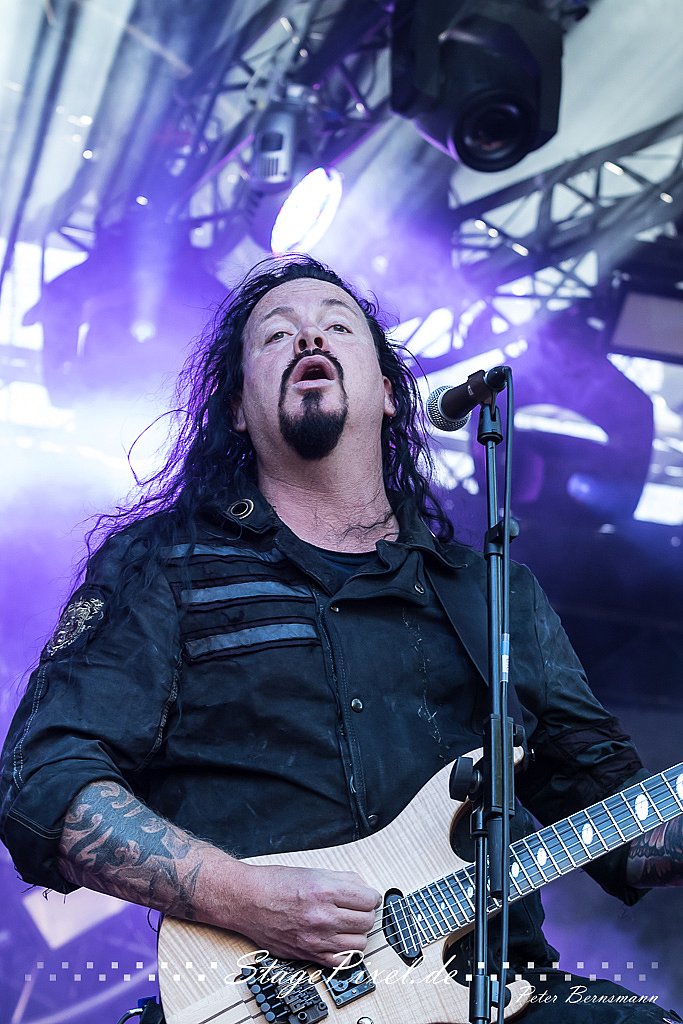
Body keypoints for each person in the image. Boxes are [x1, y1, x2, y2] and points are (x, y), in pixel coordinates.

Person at [0, 255, 681, 1023]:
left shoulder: (496, 593)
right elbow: (46, 779)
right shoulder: (165, 566)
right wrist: (243, 896)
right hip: (270, 999)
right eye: (275, 335)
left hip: (499, 989)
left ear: (388, 392)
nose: (308, 338)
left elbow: (622, 822)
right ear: (236, 407)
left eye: (336, 325)